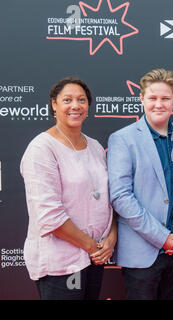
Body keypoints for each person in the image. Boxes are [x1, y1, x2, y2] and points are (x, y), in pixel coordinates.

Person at [20, 77, 117, 300]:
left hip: (94, 259)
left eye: (81, 100)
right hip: (61, 264)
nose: (75, 106)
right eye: (67, 100)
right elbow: (49, 215)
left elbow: (108, 200)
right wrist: (93, 247)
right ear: (54, 104)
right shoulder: (41, 149)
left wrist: (109, 241)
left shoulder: (93, 145)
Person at [107, 68, 173, 300]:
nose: (159, 104)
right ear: (141, 99)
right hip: (142, 253)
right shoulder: (122, 139)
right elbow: (120, 196)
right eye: (153, 98)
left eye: (165, 98)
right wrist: (161, 237)